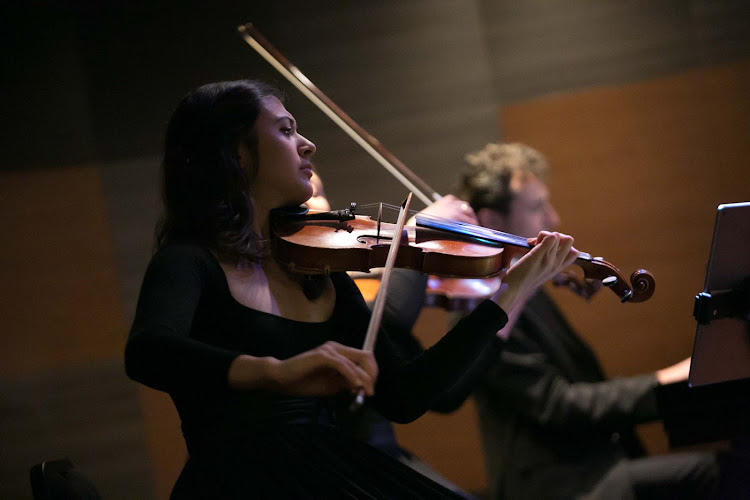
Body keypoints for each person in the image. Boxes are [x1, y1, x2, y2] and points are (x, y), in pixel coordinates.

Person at [123, 80, 578, 499]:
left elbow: (404, 395)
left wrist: (508, 294)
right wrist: (277, 372)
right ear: (236, 154)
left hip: (328, 469)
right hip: (237, 482)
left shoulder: (321, 272)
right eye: (286, 130)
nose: (308, 144)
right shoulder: (189, 261)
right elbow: (148, 351)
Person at [457, 143, 719, 500]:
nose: (553, 219)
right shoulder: (485, 310)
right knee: (715, 474)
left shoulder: (527, 288)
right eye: (536, 207)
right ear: (491, 221)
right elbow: (560, 405)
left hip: (593, 461)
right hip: (559, 485)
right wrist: (662, 381)